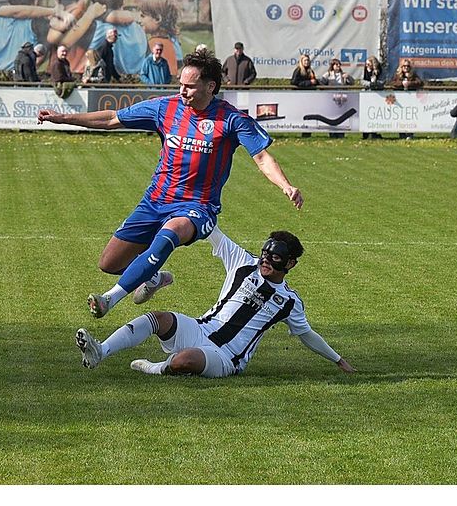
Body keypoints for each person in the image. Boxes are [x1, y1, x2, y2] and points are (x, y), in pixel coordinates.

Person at [38, 48, 303, 319]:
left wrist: (286, 185)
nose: (182, 91)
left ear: (210, 86)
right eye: (180, 85)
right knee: (109, 262)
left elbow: (261, 157)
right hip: (156, 200)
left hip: (198, 207)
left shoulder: (231, 119)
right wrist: (62, 118)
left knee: (171, 232)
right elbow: (112, 119)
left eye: (189, 86)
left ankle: (109, 298)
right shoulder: (166, 107)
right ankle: (152, 278)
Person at [74, 224, 356, 378]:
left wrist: (338, 359)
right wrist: (197, 204)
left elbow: (306, 334)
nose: (266, 261)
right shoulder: (243, 262)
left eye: (276, 258)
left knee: (185, 360)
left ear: (291, 263)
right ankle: (102, 351)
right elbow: (212, 231)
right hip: (200, 328)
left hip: (226, 357)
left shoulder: (288, 301)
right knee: (159, 318)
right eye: (265, 254)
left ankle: (155, 367)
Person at [138, 0, 183, 76]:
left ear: (157, 19)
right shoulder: (172, 41)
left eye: (143, 16)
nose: (139, 20)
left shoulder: (156, 43)